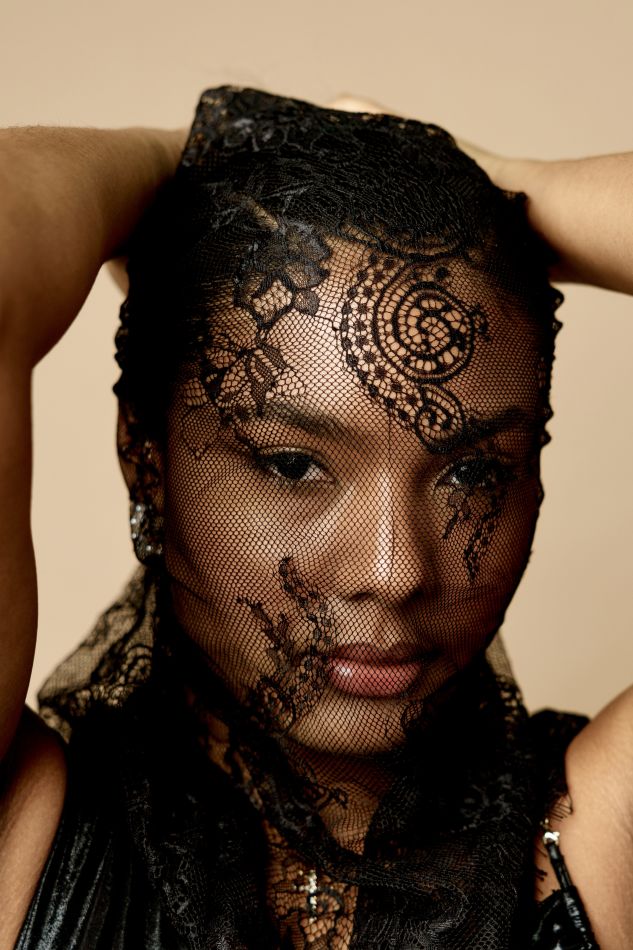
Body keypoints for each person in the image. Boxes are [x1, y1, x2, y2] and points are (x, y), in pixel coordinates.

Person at [0, 87, 631, 949]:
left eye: (471, 473)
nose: (393, 570)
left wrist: (504, 188)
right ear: (144, 455)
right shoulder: (23, 845)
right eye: (293, 465)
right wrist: (193, 152)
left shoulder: (598, 842)